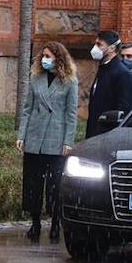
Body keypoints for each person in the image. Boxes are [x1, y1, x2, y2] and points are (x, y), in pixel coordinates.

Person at [16, 41, 78, 242]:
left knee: (54, 185)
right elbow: (27, 109)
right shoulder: (35, 78)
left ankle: (55, 222)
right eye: (43, 56)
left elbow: (71, 114)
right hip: (34, 136)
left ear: (58, 59)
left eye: (49, 56)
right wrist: (21, 135)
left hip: (56, 137)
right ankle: (35, 222)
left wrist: (68, 141)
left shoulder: (70, 81)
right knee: (33, 183)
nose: (45, 60)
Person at [84, 30, 132, 139]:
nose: (95, 48)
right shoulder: (102, 69)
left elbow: (122, 111)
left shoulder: (122, 74)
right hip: (94, 135)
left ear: (111, 48)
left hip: (107, 136)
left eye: (99, 45)